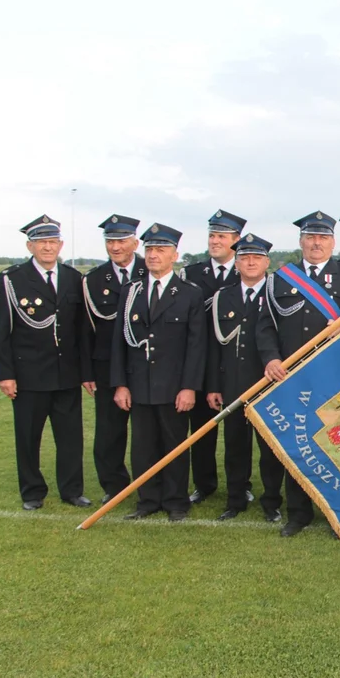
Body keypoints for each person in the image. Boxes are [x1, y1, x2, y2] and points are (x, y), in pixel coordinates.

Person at [257, 210, 340, 537]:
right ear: (301, 241)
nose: (316, 243)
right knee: (300, 443)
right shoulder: (281, 278)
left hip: (337, 377)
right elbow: (264, 326)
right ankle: (299, 512)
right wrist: (271, 359)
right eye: (310, 237)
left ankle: (338, 510)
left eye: (322, 238)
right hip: (293, 377)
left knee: (339, 443)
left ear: (334, 242)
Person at [0, 214, 92, 510]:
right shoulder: (13, 279)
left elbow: (82, 333)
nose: (48, 247)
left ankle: (72, 490)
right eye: (41, 242)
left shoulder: (74, 278)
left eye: (52, 242)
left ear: (60, 244)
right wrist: (5, 375)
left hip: (66, 375)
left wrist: (86, 373)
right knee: (28, 437)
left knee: (71, 438)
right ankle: (32, 492)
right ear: (30, 246)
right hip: (29, 375)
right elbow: (1, 331)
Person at [112, 223, 206, 522]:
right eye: (150, 250)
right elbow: (119, 342)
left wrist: (189, 387)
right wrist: (120, 384)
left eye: (161, 250)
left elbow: (196, 346)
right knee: (141, 447)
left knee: (174, 446)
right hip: (139, 385)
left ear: (175, 255)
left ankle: (176, 502)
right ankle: (147, 500)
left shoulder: (190, 293)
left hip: (174, 387)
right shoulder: (131, 292)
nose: (154, 255)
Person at [206, 234, 286, 523]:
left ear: (267, 262)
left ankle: (272, 502)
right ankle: (235, 500)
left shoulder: (280, 294)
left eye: (256, 257)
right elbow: (215, 346)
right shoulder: (221, 297)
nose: (250, 262)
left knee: (269, 449)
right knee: (235, 447)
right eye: (244, 258)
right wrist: (214, 386)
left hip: (268, 384)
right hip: (234, 383)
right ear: (236, 263)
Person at [180, 209, 245, 505]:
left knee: (237, 435)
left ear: (236, 240)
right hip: (202, 363)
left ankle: (239, 485)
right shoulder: (191, 274)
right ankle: (204, 484)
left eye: (221, 236)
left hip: (236, 364)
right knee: (202, 430)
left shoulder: (247, 270)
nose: (215, 241)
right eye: (212, 235)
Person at [82, 214, 148, 502]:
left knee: (149, 430)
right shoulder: (93, 280)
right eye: (110, 242)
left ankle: (151, 483)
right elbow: (84, 331)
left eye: (121, 241)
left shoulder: (155, 269)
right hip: (107, 366)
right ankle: (114, 486)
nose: (116, 247)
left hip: (148, 366)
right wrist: (87, 371)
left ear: (135, 242)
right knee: (109, 431)